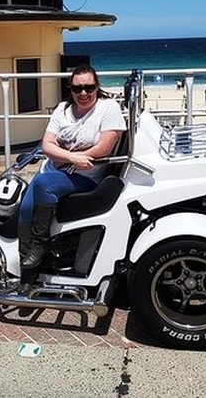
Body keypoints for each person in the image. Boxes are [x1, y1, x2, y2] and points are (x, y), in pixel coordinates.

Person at [18, 65, 126, 270]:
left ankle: (40, 245)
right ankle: (27, 274)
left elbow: (104, 147)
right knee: (25, 210)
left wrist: (70, 159)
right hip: (53, 171)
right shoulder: (62, 109)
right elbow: (47, 145)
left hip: (85, 176)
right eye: (77, 88)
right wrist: (71, 157)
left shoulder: (108, 107)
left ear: (97, 86)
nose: (83, 93)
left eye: (89, 87)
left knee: (43, 183)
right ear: (71, 89)